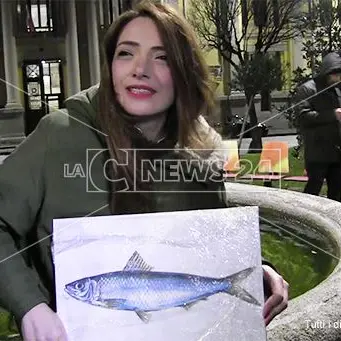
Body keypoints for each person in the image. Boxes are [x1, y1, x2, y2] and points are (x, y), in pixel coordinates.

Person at [0, 2, 288, 340]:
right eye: (126, 53)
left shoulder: (199, 150)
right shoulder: (59, 134)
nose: (140, 69)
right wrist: (30, 306)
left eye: (162, 57)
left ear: (184, 71)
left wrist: (260, 270)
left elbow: (209, 242)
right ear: (110, 65)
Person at [295, 51, 341, 200]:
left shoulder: (337, 89)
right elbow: (303, 117)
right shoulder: (308, 89)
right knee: (313, 191)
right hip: (317, 153)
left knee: (337, 192)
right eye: (336, 74)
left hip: (336, 152)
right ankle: (302, 220)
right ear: (327, 72)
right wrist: (333, 114)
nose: (338, 78)